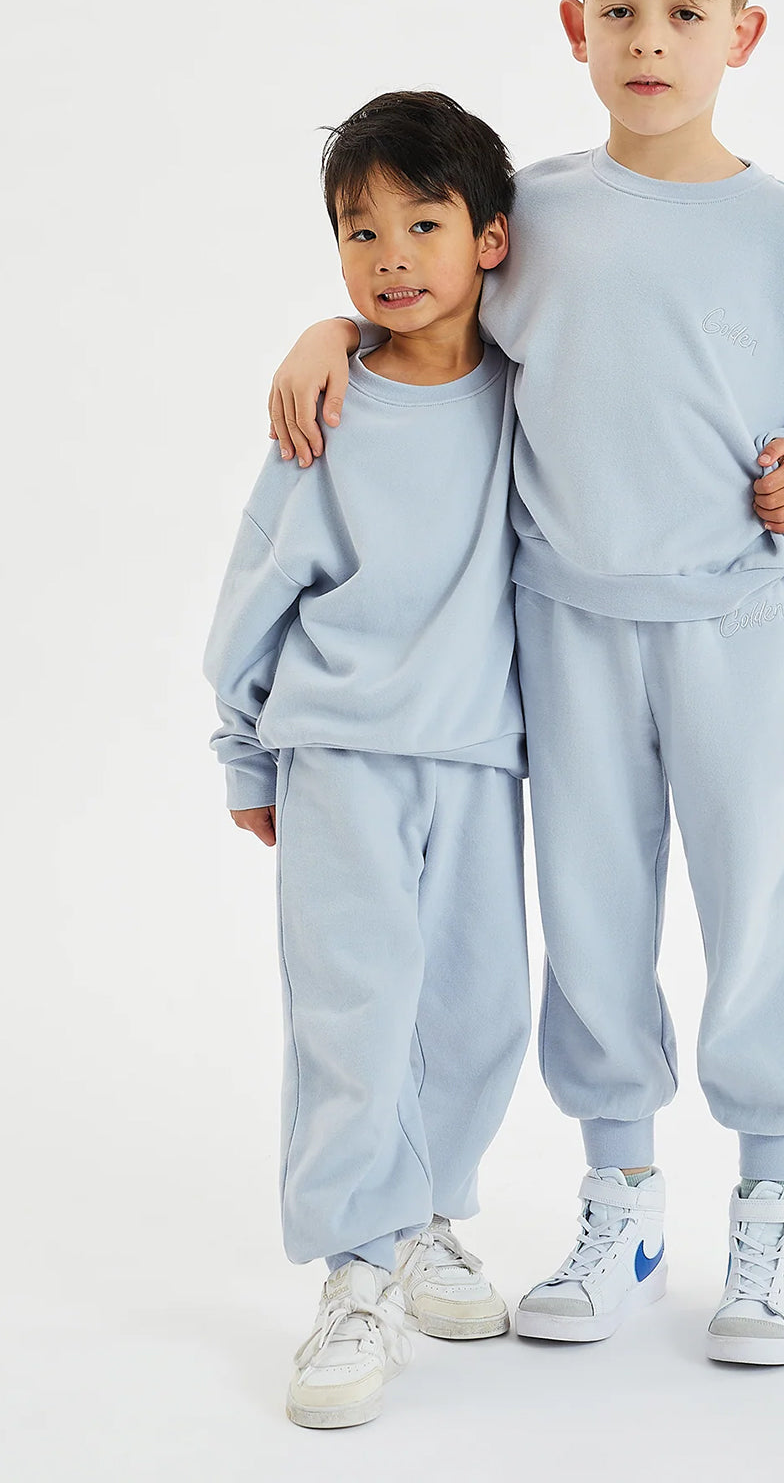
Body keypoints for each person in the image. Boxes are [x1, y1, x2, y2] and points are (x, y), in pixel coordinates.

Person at [267, 0, 784, 1368]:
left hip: (737, 629)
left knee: (755, 915)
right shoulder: (525, 214)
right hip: (566, 628)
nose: (650, 39)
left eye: (685, 10)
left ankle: (777, 1212)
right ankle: (623, 1201)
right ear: (575, 23)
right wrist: (329, 327)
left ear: (741, 32)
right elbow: (420, 298)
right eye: (621, 8)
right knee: (594, 920)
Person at [203, 90, 532, 1427]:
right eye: (358, 230)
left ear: (490, 238)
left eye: (422, 222)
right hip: (335, 750)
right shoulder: (322, 411)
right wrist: (242, 751)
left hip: (473, 758)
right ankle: (350, 1275)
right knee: (354, 1013)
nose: (389, 254)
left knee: (476, 1009)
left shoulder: (528, 393)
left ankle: (422, 1221)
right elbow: (253, 583)